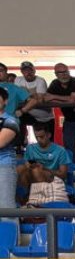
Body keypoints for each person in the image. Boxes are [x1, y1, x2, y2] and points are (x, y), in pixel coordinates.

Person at [43, 64, 75, 160]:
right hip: (70, 121)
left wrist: (54, 96)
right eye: (60, 73)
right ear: (56, 74)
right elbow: (46, 99)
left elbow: (72, 100)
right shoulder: (54, 84)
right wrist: (64, 100)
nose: (64, 75)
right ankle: (73, 170)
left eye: (66, 72)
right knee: (69, 147)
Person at [0, 88, 18, 216]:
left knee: (6, 209)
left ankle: (11, 236)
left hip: (3, 166)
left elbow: (0, 143)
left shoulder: (10, 121)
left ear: (5, 101)